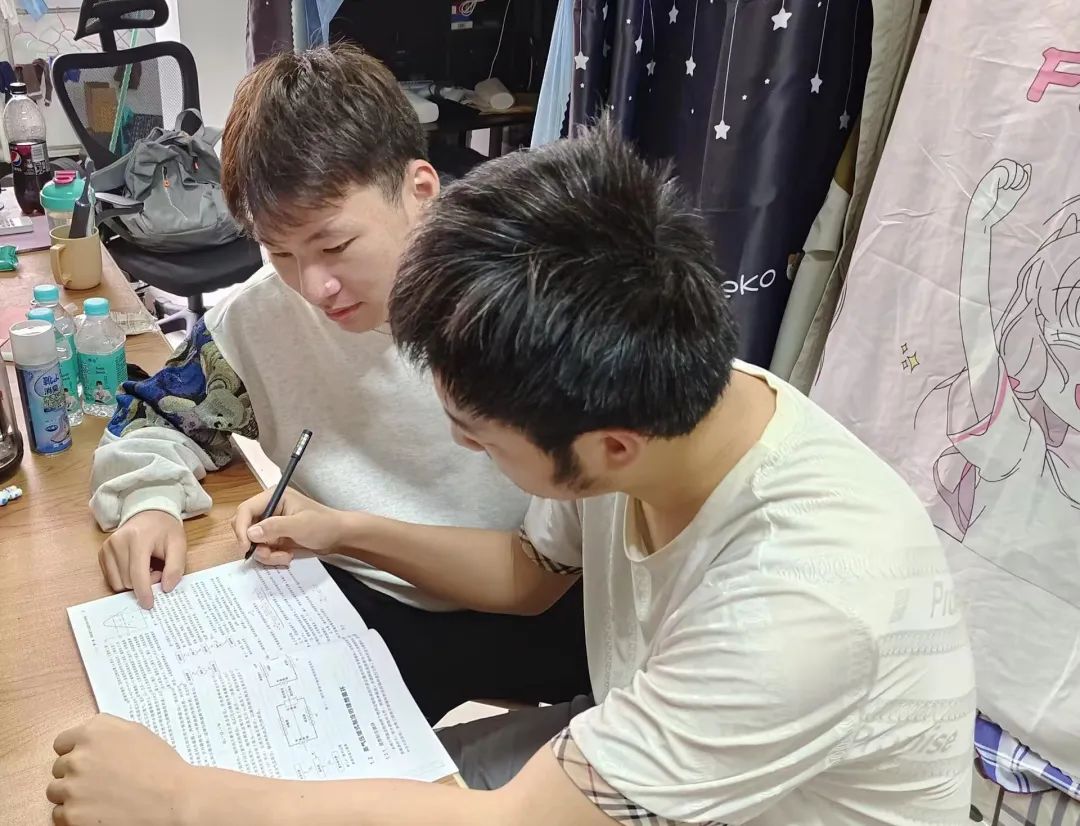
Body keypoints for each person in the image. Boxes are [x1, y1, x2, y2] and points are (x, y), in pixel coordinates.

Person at [52, 124, 976, 825]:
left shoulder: (799, 605)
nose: (464, 451)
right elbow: (534, 575)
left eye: (480, 438)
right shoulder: (673, 410)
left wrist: (181, 798)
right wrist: (346, 531)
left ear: (610, 448)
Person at [87, 44, 588, 724]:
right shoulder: (261, 316)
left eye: (335, 246)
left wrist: (345, 531)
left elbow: (536, 577)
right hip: (362, 601)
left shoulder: (531, 309)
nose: (314, 286)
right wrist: (148, 504)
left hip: (539, 613)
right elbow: (159, 418)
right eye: (280, 252)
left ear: (420, 190)